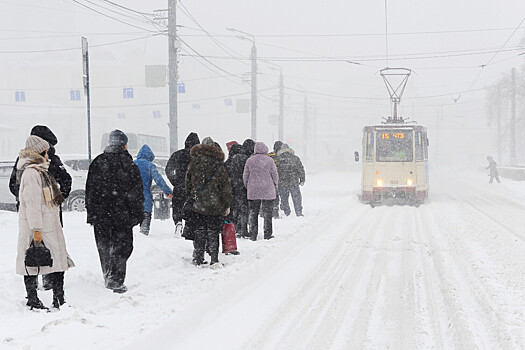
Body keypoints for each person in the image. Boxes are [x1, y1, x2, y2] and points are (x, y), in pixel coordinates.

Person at [9, 125, 72, 291]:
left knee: (41, 247)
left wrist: (53, 199)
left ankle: (44, 279)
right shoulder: (32, 165)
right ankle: (43, 282)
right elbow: (66, 181)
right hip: (37, 213)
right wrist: (32, 199)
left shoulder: (27, 161)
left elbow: (12, 186)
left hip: (43, 212)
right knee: (42, 246)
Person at [85, 130, 144, 293]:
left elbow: (89, 190)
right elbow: (136, 194)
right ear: (124, 145)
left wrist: (92, 212)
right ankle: (116, 279)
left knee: (104, 246)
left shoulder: (97, 162)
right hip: (122, 216)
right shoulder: (129, 165)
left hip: (101, 216)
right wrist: (137, 215)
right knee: (122, 247)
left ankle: (108, 275)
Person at [186, 137, 232, 268]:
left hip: (198, 204)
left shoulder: (194, 164)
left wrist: (192, 196)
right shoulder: (218, 166)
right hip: (215, 204)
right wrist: (226, 203)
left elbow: (187, 184)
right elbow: (225, 187)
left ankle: (198, 257)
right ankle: (214, 259)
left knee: (199, 230)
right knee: (213, 231)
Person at [165, 132, 200, 236]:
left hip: (179, 185)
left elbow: (168, 169)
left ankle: (178, 222)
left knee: (177, 206)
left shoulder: (178, 154)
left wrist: (174, 181)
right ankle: (190, 227)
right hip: (193, 187)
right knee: (192, 207)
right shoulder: (198, 156)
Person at [134, 144, 173, 235]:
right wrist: (168, 192)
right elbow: (159, 180)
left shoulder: (133, 163)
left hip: (132, 197)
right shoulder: (150, 166)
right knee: (145, 217)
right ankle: (144, 235)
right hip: (145, 196)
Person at [243, 142, 279, 240]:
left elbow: (245, 175)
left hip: (253, 190)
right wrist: (275, 185)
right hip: (267, 189)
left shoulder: (249, 160)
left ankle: (253, 233)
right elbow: (275, 175)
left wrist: (248, 186)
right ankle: (267, 233)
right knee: (268, 214)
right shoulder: (270, 160)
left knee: (253, 213)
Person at [230, 139, 255, 238]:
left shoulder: (235, 157)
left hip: (234, 186)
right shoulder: (247, 159)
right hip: (244, 186)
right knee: (245, 209)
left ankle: (236, 228)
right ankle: (243, 229)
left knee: (236, 208)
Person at [276, 144, 305, 216]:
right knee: (296, 197)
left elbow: (276, 171)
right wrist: (302, 179)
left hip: (282, 182)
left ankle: (287, 212)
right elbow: (300, 169)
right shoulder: (295, 158)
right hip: (293, 181)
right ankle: (299, 212)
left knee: (284, 198)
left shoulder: (278, 159)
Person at [268, 141, 283, 218]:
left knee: (271, 196)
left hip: (269, 178)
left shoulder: (270, 155)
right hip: (280, 178)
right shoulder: (282, 156)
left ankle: (267, 211)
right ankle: (276, 211)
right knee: (278, 195)